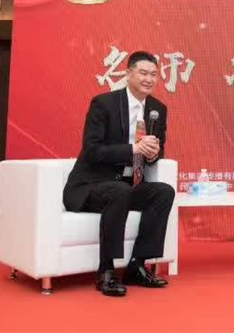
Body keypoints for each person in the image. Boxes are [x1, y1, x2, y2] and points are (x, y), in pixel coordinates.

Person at [63, 51, 175, 297]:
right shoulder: (104, 104)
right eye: (143, 73)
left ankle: (137, 265)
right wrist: (134, 149)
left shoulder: (157, 109)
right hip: (90, 186)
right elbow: (92, 150)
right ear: (128, 74)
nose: (149, 79)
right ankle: (107, 270)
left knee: (164, 192)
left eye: (154, 74)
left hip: (127, 186)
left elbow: (157, 150)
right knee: (119, 190)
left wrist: (153, 153)